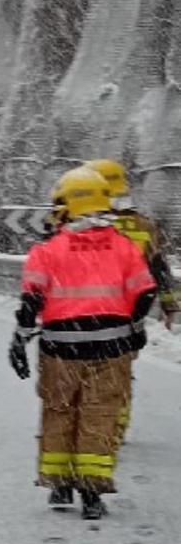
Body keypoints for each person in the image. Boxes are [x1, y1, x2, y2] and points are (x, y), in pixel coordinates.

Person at [8, 167, 156, 520]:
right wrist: (135, 326)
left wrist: (19, 339)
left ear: (69, 204)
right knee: (99, 416)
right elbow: (145, 290)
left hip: (60, 349)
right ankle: (91, 493)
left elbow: (31, 302)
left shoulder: (47, 251)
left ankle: (59, 484)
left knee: (60, 412)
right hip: (110, 349)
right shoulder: (122, 247)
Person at [84, 159, 178, 442]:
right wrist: (169, 303)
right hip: (130, 313)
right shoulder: (143, 225)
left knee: (86, 367)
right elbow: (159, 267)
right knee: (119, 368)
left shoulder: (82, 226)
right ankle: (115, 423)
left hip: (87, 311)